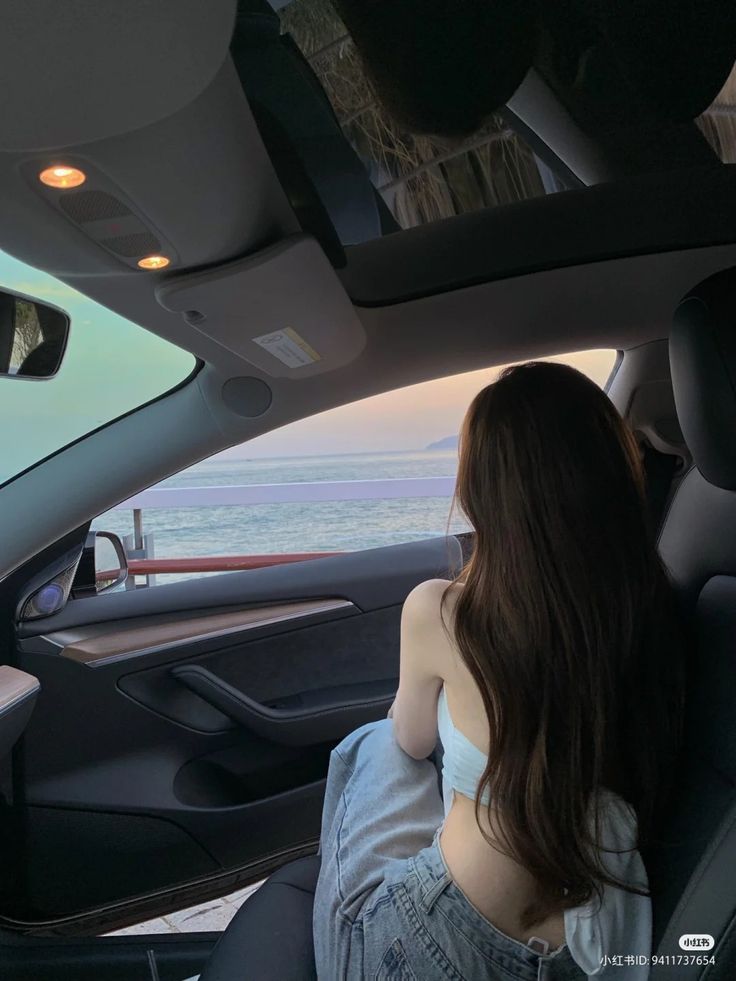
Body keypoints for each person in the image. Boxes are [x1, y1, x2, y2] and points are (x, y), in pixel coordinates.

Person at [313, 362, 684, 980]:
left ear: (482, 490)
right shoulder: (660, 607)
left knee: (368, 746)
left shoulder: (444, 609)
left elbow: (411, 740)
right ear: (615, 472)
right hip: (594, 939)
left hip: (450, 934)